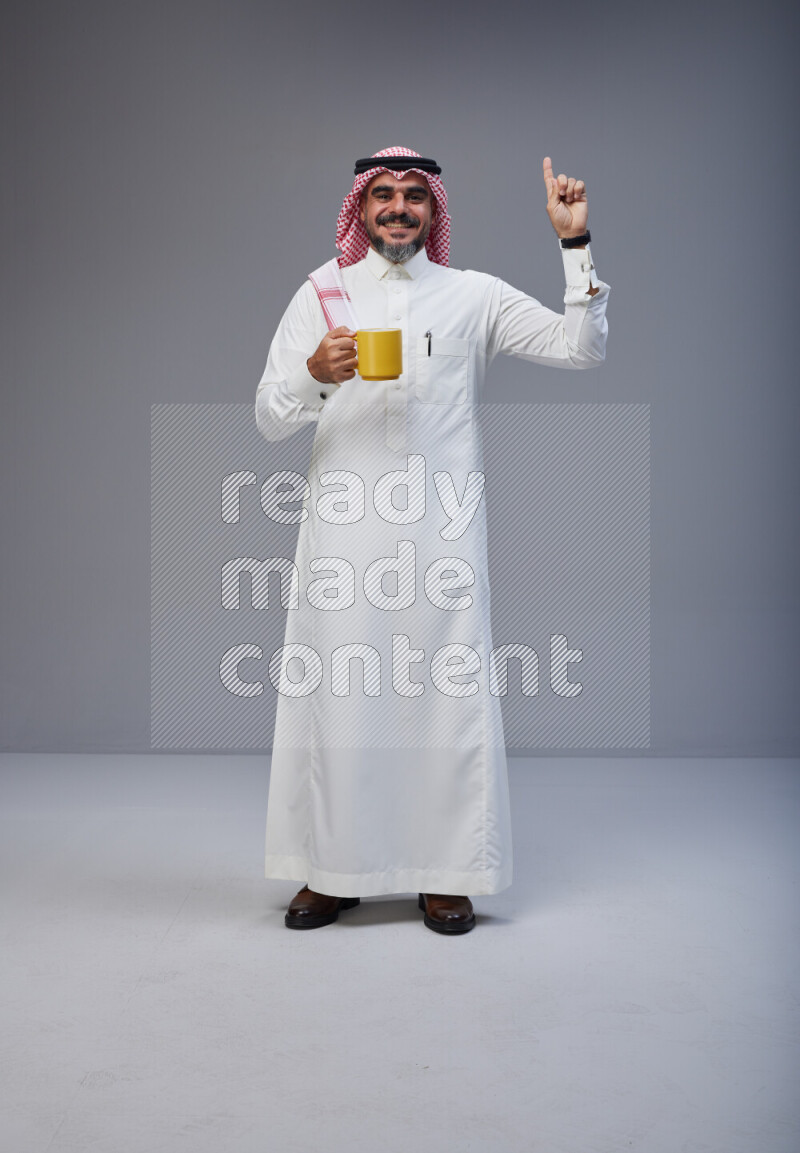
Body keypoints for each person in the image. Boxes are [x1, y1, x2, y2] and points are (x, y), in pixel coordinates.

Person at [254, 146, 610, 934]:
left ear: (433, 210)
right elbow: (269, 415)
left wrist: (573, 246)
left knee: (444, 699)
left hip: (442, 537)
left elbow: (580, 349)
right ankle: (333, 869)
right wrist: (316, 371)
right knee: (344, 701)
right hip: (344, 538)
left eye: (414, 196)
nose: (398, 209)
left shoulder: (471, 296)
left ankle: (447, 873)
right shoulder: (323, 292)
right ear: (361, 206)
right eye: (382, 195)